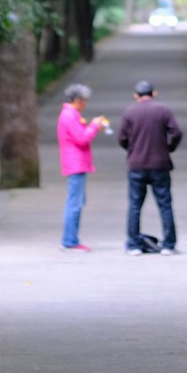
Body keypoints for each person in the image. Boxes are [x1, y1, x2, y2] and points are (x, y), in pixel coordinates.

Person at [118, 79, 182, 255]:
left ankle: (133, 245)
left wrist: (132, 150)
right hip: (160, 164)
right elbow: (176, 132)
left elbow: (122, 138)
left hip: (136, 165)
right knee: (165, 205)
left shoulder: (130, 112)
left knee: (135, 205)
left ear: (136, 96)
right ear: (154, 94)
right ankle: (168, 245)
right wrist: (168, 148)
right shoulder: (163, 110)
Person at [57, 83, 108, 251]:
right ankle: (69, 240)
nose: (85, 104)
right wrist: (94, 125)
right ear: (78, 100)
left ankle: (71, 239)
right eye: (84, 100)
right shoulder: (70, 115)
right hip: (75, 163)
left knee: (77, 201)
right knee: (75, 203)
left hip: (77, 163)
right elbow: (81, 138)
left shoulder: (71, 115)